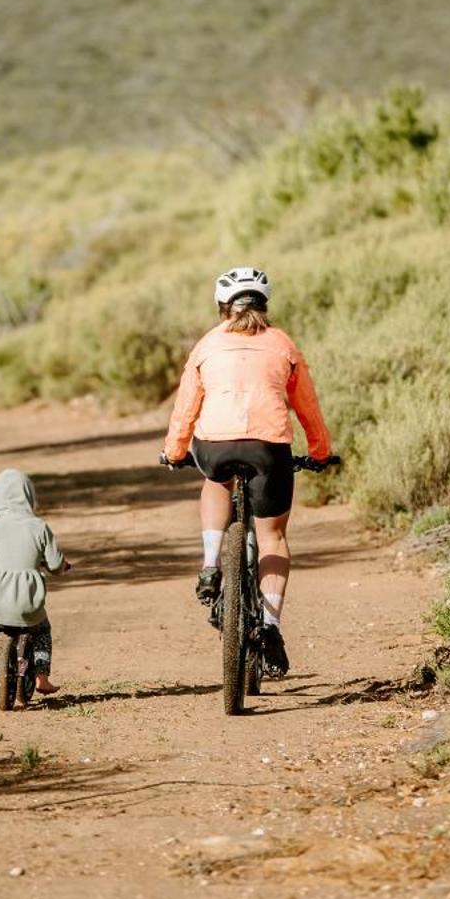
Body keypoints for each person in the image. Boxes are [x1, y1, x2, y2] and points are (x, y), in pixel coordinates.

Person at [161, 265, 332, 678]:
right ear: (265, 305)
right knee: (272, 535)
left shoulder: (205, 346)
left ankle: (209, 563)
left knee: (215, 479)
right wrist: (320, 452)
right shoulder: (283, 344)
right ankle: (271, 625)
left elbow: (186, 408)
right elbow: (307, 407)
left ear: (223, 308)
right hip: (268, 446)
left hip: (215, 445)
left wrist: (174, 451)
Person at [0, 468, 67, 713]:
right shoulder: (40, 527)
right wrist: (61, 566)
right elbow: (56, 565)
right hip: (28, 607)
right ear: (30, 496)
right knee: (42, 631)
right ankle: (41, 678)